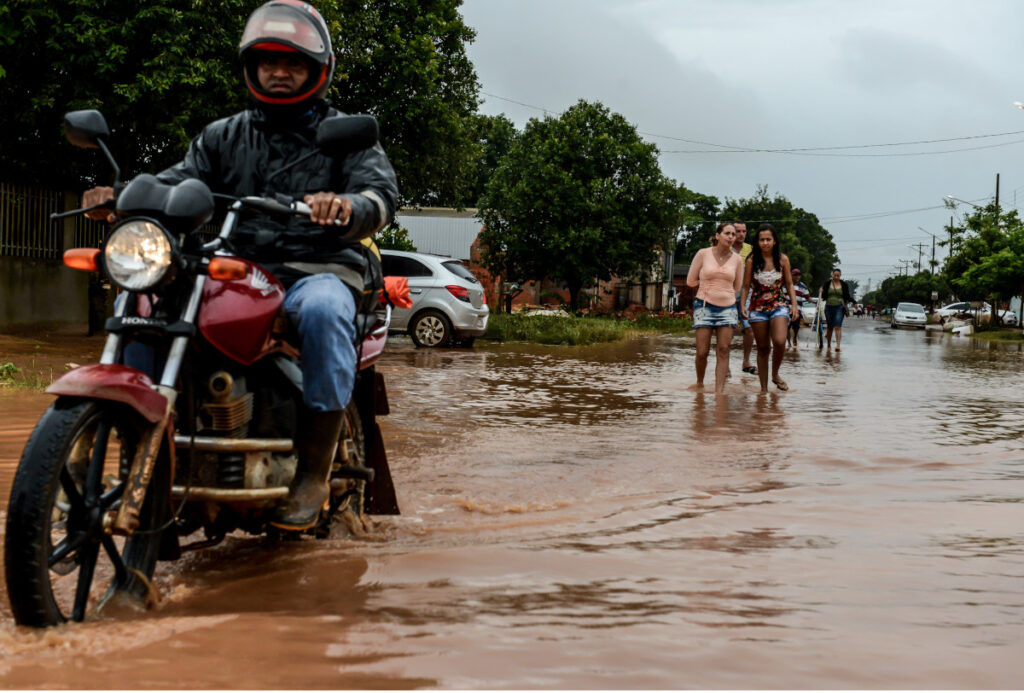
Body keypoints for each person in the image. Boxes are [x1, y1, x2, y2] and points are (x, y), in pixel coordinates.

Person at [82, 0, 399, 531]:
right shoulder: (222, 135)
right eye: (269, 62)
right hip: (239, 266)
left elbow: (380, 194)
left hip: (318, 267)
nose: (279, 72)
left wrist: (347, 206)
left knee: (323, 311)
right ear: (251, 67)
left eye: (292, 63)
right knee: (144, 297)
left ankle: (313, 472)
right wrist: (121, 196)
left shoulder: (346, 134)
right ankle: (144, 451)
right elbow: (178, 179)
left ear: (315, 71)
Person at [740, 224, 800, 392]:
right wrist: (742, 305)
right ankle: (764, 390)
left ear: (774, 241)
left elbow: (789, 283)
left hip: (779, 304)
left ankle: (775, 374)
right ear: (757, 242)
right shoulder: (752, 260)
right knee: (763, 348)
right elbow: (745, 286)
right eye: (762, 240)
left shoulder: (783, 259)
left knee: (780, 341)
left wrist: (794, 305)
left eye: (768, 239)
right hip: (757, 307)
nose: (765, 243)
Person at [686, 222, 744, 393]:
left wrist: (723, 293)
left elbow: (737, 286)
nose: (731, 237)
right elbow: (690, 281)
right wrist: (707, 287)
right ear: (718, 236)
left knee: (724, 349)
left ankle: (719, 392)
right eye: (727, 233)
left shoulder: (737, 260)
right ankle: (700, 383)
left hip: (728, 308)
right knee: (702, 351)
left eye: (733, 234)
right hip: (704, 306)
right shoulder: (703, 254)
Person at [731, 221, 757, 375]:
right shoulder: (725, 248)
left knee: (749, 328)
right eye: (737, 231)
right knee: (727, 330)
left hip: (745, 294)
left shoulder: (750, 249)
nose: (741, 234)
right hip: (727, 294)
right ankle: (724, 365)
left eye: (743, 231)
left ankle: (746, 361)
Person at [818, 268, 854, 351]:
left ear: (840, 276)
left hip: (839, 307)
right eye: (835, 275)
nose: (836, 277)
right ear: (832, 275)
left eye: (838, 275)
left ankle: (838, 345)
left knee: (838, 326)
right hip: (829, 307)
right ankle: (829, 345)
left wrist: (854, 302)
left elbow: (847, 295)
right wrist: (821, 291)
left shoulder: (844, 284)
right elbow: (822, 292)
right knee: (830, 327)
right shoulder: (827, 283)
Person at [788, 268, 810, 348]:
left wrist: (814, 302)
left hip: (798, 310)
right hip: (787, 309)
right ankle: (788, 342)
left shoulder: (803, 286)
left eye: (798, 275)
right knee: (787, 326)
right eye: (795, 275)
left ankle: (794, 337)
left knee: (796, 326)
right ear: (791, 275)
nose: (797, 277)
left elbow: (807, 297)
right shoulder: (786, 284)